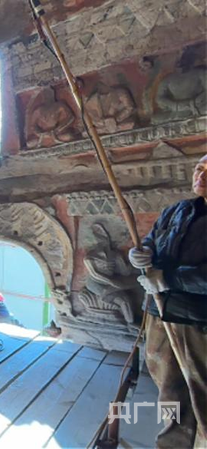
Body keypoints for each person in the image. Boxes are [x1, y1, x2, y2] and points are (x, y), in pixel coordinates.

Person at [128, 153, 207, 448]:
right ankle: (173, 443)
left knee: (200, 388)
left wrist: (168, 279)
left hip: (196, 318)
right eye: (199, 168)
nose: (201, 175)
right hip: (159, 310)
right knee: (168, 385)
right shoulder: (178, 210)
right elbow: (152, 240)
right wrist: (141, 254)